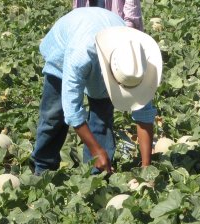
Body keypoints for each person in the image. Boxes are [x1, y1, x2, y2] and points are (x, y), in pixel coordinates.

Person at [30, 7, 162, 175]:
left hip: (103, 35)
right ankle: (43, 167)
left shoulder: (136, 62)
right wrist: (96, 150)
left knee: (102, 119)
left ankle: (97, 174)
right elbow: (72, 110)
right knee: (53, 115)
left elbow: (144, 115)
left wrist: (146, 167)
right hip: (64, 48)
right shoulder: (81, 54)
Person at [72, 0, 144, 31]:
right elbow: (78, 8)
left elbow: (131, 11)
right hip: (90, 29)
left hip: (118, 30)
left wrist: (127, 29)